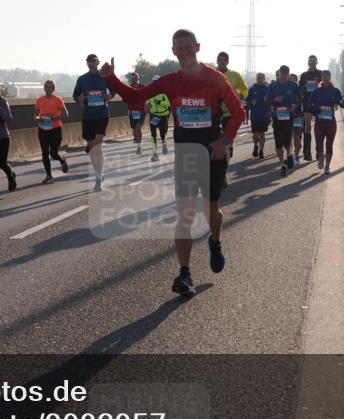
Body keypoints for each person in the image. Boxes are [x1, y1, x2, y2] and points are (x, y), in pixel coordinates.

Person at [100, 30, 245, 298]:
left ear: (197, 47)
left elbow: (238, 111)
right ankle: (185, 273)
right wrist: (111, 79)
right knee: (185, 213)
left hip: (213, 153)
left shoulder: (215, 78)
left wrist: (224, 140)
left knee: (212, 210)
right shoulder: (170, 81)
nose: (185, 51)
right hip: (187, 153)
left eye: (188, 46)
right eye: (179, 47)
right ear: (173, 51)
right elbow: (136, 96)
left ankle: (215, 241)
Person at [73, 53, 115, 191]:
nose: (91, 63)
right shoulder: (82, 79)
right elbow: (75, 95)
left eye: (93, 61)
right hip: (88, 116)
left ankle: (98, 178)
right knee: (92, 147)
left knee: (97, 146)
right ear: (87, 63)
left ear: (98, 63)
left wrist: (109, 95)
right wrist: (79, 99)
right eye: (89, 61)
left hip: (102, 114)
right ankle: (99, 172)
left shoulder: (104, 76)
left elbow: (114, 90)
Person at [307, 70, 344, 175]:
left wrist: (339, 101)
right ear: (321, 79)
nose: (325, 79)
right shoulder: (316, 91)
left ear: (330, 78)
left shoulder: (336, 91)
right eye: (323, 77)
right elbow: (309, 104)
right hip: (319, 122)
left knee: (329, 145)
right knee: (319, 144)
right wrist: (316, 108)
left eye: (327, 77)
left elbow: (343, 104)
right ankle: (320, 156)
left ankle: (327, 167)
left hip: (330, 123)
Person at [268, 66, 301, 177]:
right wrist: (274, 100)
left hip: (289, 116)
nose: (284, 76)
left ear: (288, 74)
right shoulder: (273, 86)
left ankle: (289, 154)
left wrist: (294, 106)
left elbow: (298, 99)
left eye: (286, 74)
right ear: (279, 74)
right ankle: (282, 164)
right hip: (276, 117)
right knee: (278, 142)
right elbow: (267, 100)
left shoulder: (294, 86)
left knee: (287, 140)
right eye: (282, 73)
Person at [34, 79, 69, 184]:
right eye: (46, 87)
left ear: (53, 89)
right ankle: (49, 175)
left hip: (55, 129)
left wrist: (55, 117)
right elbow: (36, 114)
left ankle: (62, 160)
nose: (48, 89)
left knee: (53, 153)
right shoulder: (39, 100)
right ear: (44, 88)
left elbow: (66, 115)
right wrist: (37, 118)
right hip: (43, 129)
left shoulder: (58, 99)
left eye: (50, 87)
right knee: (45, 154)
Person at [298, 55, 323, 162]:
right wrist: (304, 87)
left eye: (313, 61)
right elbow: (300, 89)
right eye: (310, 61)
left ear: (317, 62)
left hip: (318, 104)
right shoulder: (304, 75)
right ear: (308, 63)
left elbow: (326, 85)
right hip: (307, 103)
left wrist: (319, 85)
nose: (312, 62)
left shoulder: (320, 73)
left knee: (319, 127)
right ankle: (307, 151)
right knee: (307, 126)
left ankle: (319, 151)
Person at [245, 72, 271, 159]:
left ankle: (261, 151)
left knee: (262, 134)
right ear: (256, 79)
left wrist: (267, 101)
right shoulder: (252, 89)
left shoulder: (268, 89)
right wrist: (251, 103)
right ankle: (256, 145)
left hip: (264, 115)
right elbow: (247, 101)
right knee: (255, 134)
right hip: (254, 115)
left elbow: (272, 102)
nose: (259, 79)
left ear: (264, 79)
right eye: (258, 78)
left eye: (261, 78)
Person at [146, 75, 171, 162]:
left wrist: (159, 102)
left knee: (162, 134)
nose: (155, 83)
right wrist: (147, 106)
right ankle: (155, 153)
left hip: (163, 116)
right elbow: (147, 103)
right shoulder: (150, 93)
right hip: (154, 116)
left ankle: (164, 145)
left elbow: (168, 104)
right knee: (153, 135)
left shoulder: (164, 93)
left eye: (156, 81)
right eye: (153, 82)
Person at [124, 72, 148, 155]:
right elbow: (125, 98)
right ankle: (136, 138)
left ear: (138, 78)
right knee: (134, 129)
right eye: (132, 78)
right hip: (132, 111)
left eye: (135, 78)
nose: (134, 79)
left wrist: (147, 104)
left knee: (138, 128)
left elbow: (148, 96)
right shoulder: (128, 87)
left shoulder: (142, 87)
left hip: (142, 110)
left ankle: (139, 147)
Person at [289, 73, 304, 163]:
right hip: (286, 116)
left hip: (298, 116)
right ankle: (289, 154)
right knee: (288, 136)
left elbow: (303, 101)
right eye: (290, 79)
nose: (291, 81)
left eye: (293, 79)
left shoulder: (299, 91)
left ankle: (297, 155)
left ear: (296, 81)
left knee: (296, 136)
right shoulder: (284, 90)